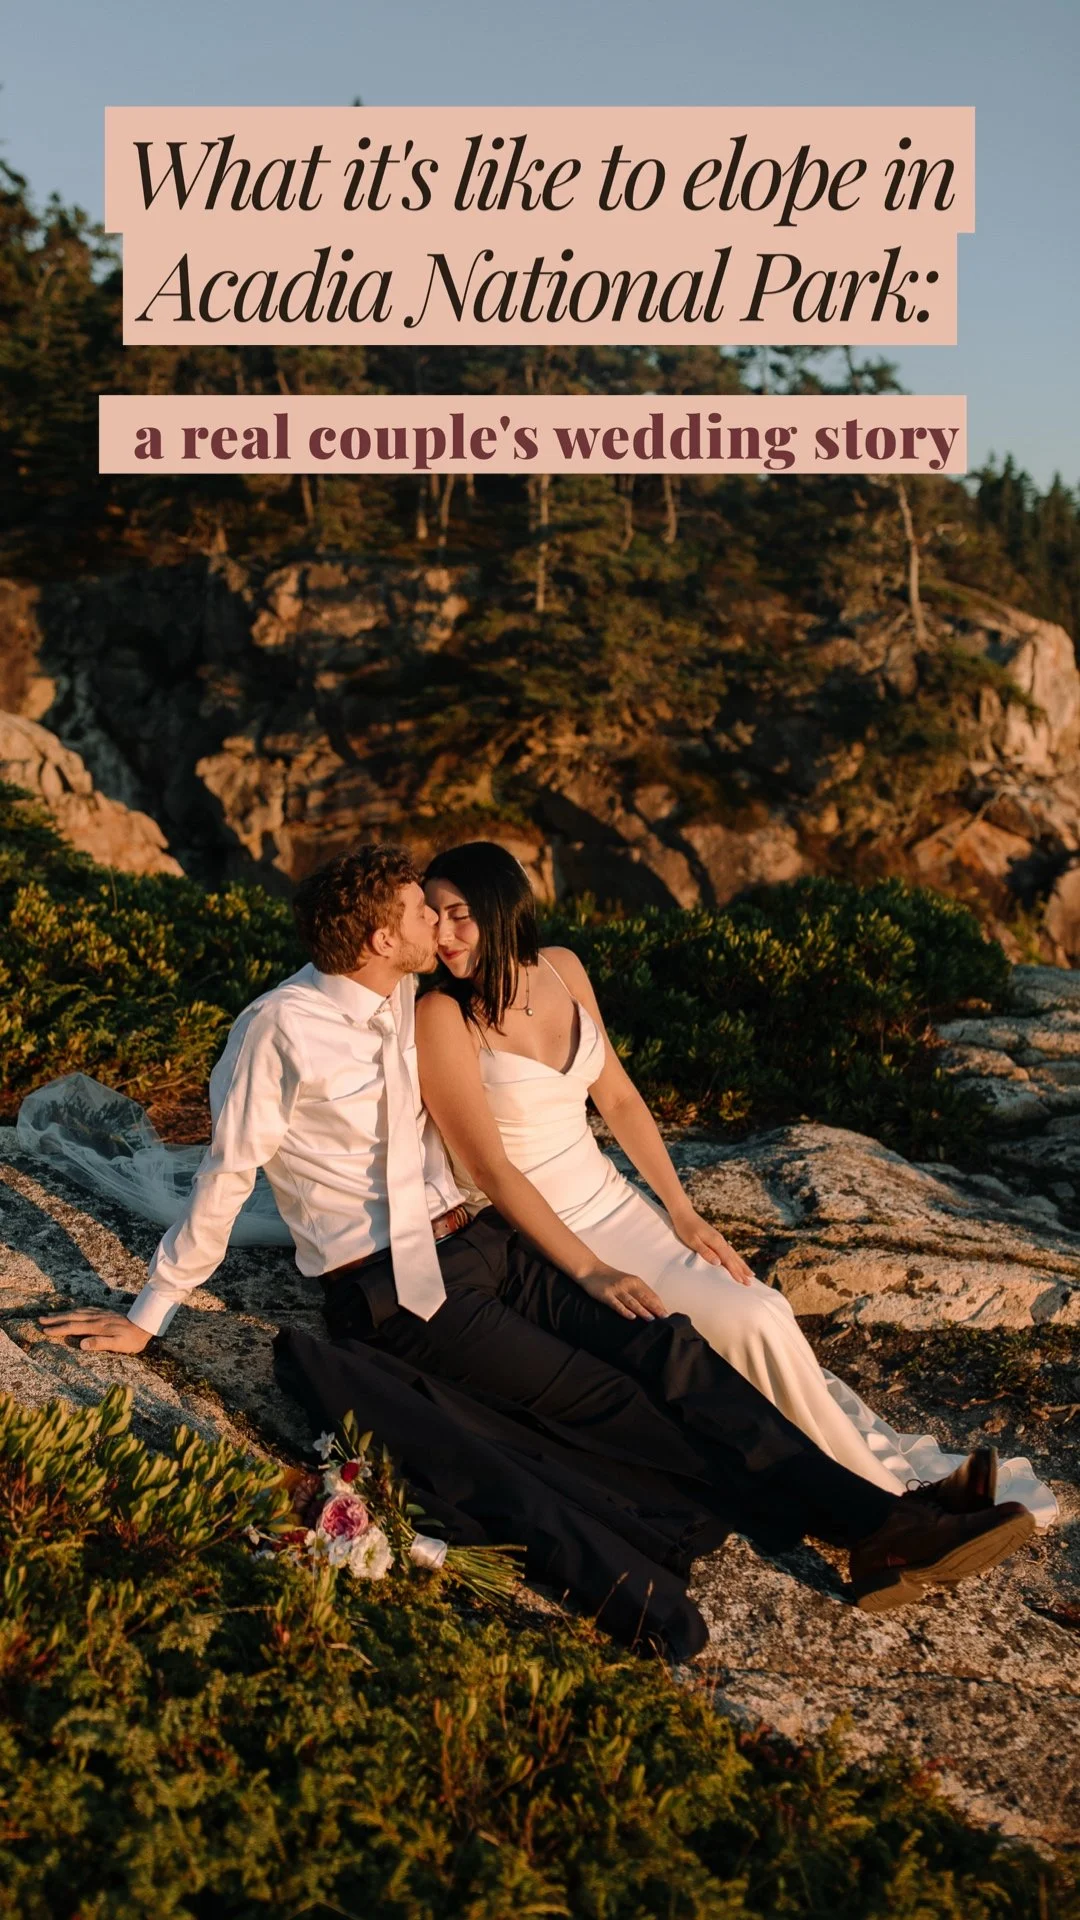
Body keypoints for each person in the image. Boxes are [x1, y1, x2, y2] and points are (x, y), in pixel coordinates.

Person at [38, 843, 1037, 1642]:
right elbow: (223, 1180)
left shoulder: (407, 993)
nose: (442, 920)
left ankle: (883, 1512)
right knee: (615, 1403)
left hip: (486, 1241)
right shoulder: (277, 1031)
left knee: (670, 1347)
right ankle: (874, 1529)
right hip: (397, 1287)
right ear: (383, 935)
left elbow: (565, 1084)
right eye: (423, 911)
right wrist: (147, 1316)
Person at [418, 841, 1057, 1521]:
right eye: (431, 916)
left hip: (614, 1199)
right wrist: (590, 1271)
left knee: (764, 1309)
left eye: (459, 914)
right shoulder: (444, 1015)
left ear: (500, 907)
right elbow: (489, 1167)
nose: (444, 933)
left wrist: (683, 1212)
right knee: (743, 1322)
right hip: (547, 1230)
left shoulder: (562, 968)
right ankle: (894, 1502)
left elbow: (623, 1100)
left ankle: (883, 1480)